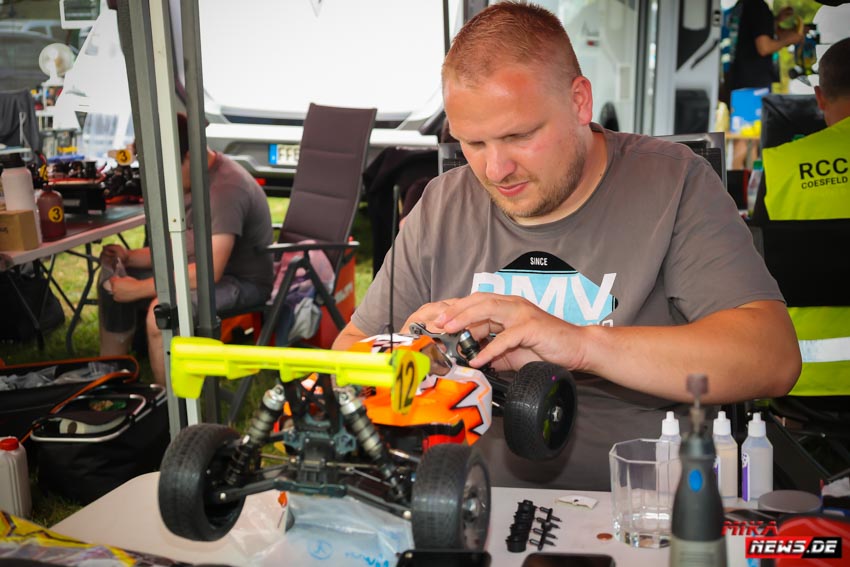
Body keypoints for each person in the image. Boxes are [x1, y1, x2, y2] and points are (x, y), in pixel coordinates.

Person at [332, 2, 801, 490]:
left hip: (638, 505)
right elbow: (348, 354)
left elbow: (772, 358)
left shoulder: (674, 184)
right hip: (460, 499)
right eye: (473, 143)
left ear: (579, 102)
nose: (494, 171)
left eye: (519, 136)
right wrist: (408, 353)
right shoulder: (442, 204)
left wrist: (579, 344)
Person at [99, 113, 274, 386]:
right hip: (207, 270)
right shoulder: (197, 178)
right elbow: (182, 247)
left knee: (162, 312)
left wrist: (140, 289)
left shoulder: (226, 189)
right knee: (112, 279)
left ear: (190, 156)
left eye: (167, 169)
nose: (164, 179)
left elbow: (209, 273)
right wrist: (129, 257)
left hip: (241, 282)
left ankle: (170, 410)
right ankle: (109, 377)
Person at [727, 0, 804, 93]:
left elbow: (756, 33)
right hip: (754, 82)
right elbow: (764, 48)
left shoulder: (742, 5)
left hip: (738, 78)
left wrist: (776, 20)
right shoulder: (758, 6)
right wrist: (789, 39)